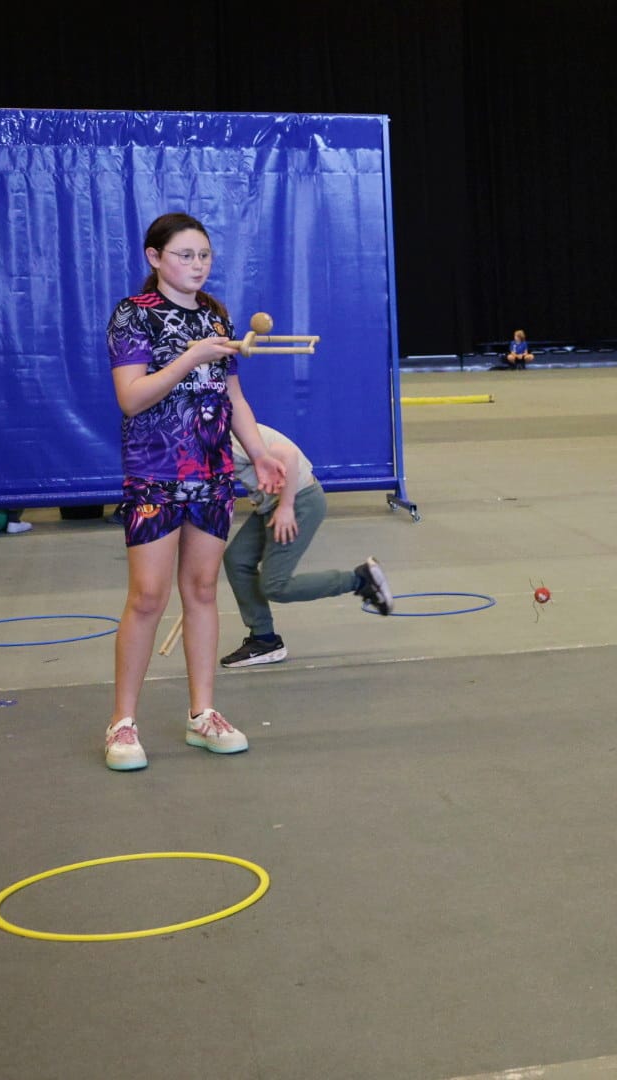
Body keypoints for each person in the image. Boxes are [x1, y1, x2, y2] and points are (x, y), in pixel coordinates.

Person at [103, 211, 287, 772]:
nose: (198, 265)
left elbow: (233, 397)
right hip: (154, 476)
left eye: (204, 255)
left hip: (212, 477)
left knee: (203, 590)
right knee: (147, 597)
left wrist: (259, 453)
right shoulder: (134, 315)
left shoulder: (215, 315)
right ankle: (122, 722)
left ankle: (202, 713)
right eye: (185, 255)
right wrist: (192, 356)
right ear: (155, 258)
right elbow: (131, 398)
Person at [221, 423, 394, 668]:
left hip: (299, 501)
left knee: (275, 586)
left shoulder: (226, 435)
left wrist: (286, 507)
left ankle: (360, 580)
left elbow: (288, 455)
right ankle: (264, 640)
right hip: (271, 503)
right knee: (237, 558)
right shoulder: (204, 435)